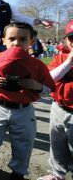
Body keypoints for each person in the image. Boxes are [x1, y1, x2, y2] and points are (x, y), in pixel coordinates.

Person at [0, 22, 55, 180]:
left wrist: (37, 86)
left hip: (24, 110)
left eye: (22, 39)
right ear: (3, 40)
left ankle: (18, 172)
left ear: (31, 41)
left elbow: (50, 88)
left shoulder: (37, 64)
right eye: (12, 38)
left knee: (23, 143)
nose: (16, 42)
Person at [38, 20, 73, 180]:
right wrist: (68, 62)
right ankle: (57, 175)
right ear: (67, 40)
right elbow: (49, 80)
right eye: (72, 38)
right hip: (58, 108)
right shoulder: (61, 59)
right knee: (57, 144)